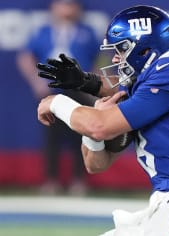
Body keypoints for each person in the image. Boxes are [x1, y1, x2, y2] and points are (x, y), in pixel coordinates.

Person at [36, 5, 169, 236]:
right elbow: (95, 164)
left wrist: (57, 102)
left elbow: (98, 126)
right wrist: (87, 86)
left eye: (121, 49)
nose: (115, 57)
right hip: (163, 202)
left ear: (144, 49)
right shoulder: (142, 87)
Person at [16, 0, 99, 195]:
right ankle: (50, 180)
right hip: (53, 92)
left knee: (81, 135)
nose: (67, 10)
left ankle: (79, 181)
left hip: (79, 91)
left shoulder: (86, 32)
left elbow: (98, 59)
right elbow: (26, 56)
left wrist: (94, 86)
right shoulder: (43, 32)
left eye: (71, 5)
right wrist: (36, 81)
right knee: (51, 136)